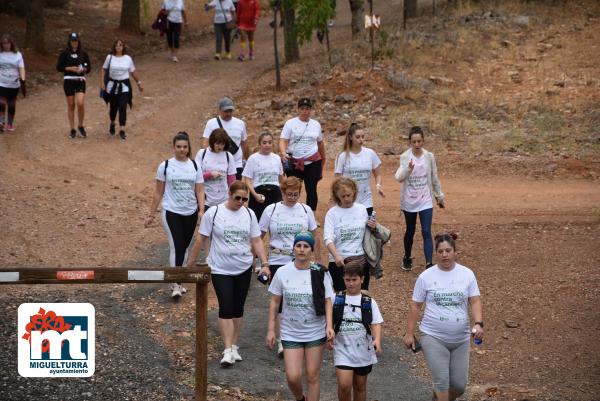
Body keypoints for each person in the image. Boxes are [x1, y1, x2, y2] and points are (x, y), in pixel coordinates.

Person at [187, 181, 268, 367]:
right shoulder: (214, 213)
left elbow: (256, 240)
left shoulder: (249, 214)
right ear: (229, 194)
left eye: (244, 199)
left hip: (243, 266)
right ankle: (227, 348)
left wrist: (264, 263)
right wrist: (190, 263)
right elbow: (201, 238)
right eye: (237, 197)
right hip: (220, 267)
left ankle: (234, 345)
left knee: (238, 308)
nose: (241, 202)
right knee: (226, 306)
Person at [403, 233, 483, 401]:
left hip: (460, 339)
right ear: (436, 254)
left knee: (459, 386)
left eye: (448, 250)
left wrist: (479, 323)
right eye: (440, 251)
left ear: (455, 251)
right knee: (441, 382)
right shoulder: (426, 277)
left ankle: (438, 397)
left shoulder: (467, 274)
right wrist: (409, 333)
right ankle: (441, 395)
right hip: (433, 336)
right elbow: (415, 305)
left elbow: (474, 301)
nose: (445, 254)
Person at [266, 231, 335, 401]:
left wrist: (329, 326)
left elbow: (328, 301)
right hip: (291, 331)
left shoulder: (320, 272)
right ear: (293, 248)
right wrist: (270, 330)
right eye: (298, 246)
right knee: (293, 376)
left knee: (312, 376)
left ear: (311, 250)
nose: (302, 249)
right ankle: (300, 398)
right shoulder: (282, 272)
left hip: (315, 330)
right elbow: (275, 302)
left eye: (306, 246)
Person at [259, 176, 319, 356]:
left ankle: (299, 334)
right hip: (278, 259)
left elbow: (314, 236)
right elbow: (259, 236)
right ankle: (282, 340)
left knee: (298, 297)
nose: (292, 198)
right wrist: (261, 262)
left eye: (296, 194)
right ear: (282, 193)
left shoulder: (305, 210)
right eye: (289, 194)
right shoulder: (272, 210)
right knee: (281, 300)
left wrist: (319, 260)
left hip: (301, 259)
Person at [145, 132, 205, 297]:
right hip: (171, 211)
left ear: (188, 148)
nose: (182, 150)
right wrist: (151, 214)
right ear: (174, 147)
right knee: (176, 246)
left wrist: (201, 210)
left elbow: (200, 190)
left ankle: (179, 281)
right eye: (179, 146)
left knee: (184, 247)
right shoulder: (165, 166)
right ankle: (176, 283)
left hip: (190, 211)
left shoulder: (195, 166)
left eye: (185, 147)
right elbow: (158, 192)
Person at [330, 262, 383, 401]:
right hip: (342, 348)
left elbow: (376, 322)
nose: (351, 283)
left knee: (360, 386)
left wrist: (377, 339)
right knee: (344, 385)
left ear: (362, 279)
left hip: (363, 349)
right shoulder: (337, 299)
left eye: (354, 280)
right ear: (343, 279)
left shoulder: (369, 301)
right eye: (348, 280)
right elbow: (328, 320)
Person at [394, 126, 444, 271]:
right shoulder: (405, 157)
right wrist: (408, 169)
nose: (417, 144)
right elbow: (399, 177)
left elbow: (434, 177)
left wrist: (439, 196)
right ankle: (407, 257)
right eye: (414, 142)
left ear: (423, 141)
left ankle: (429, 263)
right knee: (410, 230)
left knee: (426, 231)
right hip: (410, 200)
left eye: (419, 141)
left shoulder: (429, 156)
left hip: (425, 199)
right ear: (410, 142)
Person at [324, 177, 376, 292]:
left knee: (362, 294)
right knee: (341, 296)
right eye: (343, 196)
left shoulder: (362, 209)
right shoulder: (332, 214)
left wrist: (373, 226)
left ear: (354, 193)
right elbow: (328, 239)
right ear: (336, 196)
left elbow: (368, 234)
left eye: (349, 195)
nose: (347, 199)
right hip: (340, 262)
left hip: (360, 260)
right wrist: (336, 255)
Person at [279, 97, 326, 212]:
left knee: (311, 189)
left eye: (308, 108)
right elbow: (283, 140)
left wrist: (323, 159)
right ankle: (291, 212)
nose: (305, 111)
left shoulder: (316, 125)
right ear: (298, 110)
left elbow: (320, 143)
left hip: (312, 161)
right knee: (292, 188)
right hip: (294, 162)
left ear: (311, 110)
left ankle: (311, 215)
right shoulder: (290, 123)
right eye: (302, 108)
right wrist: (283, 152)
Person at [334, 122, 385, 216]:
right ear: (350, 137)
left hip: (366, 199)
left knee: (368, 226)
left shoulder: (370, 153)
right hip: (348, 199)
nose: (361, 140)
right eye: (357, 137)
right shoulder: (342, 156)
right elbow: (337, 180)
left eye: (363, 136)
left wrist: (378, 185)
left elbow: (378, 174)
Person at [100, 39, 143, 141]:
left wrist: (139, 83)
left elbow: (133, 72)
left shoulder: (128, 59)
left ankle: (122, 129)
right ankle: (112, 122)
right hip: (112, 85)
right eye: (117, 45)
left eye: (120, 45)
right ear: (114, 47)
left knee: (123, 105)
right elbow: (103, 69)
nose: (118, 47)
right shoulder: (109, 57)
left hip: (124, 85)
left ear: (123, 47)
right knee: (113, 106)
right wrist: (102, 82)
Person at [202, 97, 248, 180]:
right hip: (217, 163)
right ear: (219, 110)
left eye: (230, 111)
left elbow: (244, 143)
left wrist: (246, 159)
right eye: (226, 111)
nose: (228, 113)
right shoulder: (211, 123)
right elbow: (206, 142)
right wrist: (207, 158)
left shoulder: (240, 124)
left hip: (236, 163)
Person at [56, 32, 91, 139]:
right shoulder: (64, 53)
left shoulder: (83, 53)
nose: (74, 42)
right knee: (71, 105)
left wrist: (84, 69)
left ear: (78, 41)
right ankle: (72, 129)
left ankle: (80, 125)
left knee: (80, 103)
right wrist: (70, 68)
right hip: (69, 80)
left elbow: (89, 67)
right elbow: (59, 67)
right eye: (72, 40)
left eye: (75, 40)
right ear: (69, 42)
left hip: (80, 80)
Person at [242, 132, 283, 221]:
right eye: (264, 143)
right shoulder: (253, 158)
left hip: (275, 193)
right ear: (259, 144)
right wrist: (255, 194)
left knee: (276, 222)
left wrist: (282, 193)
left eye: (269, 142)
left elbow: (280, 178)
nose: (267, 145)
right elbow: (247, 179)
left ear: (272, 143)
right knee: (257, 223)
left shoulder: (277, 158)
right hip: (258, 194)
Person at [196, 128, 237, 210]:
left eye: (223, 144)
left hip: (224, 201)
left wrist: (233, 196)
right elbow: (195, 176)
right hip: (206, 200)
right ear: (212, 142)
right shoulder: (202, 154)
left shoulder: (228, 156)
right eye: (217, 144)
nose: (220, 147)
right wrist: (210, 174)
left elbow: (231, 180)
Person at [0, 34, 25, 133]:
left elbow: (21, 68)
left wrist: (23, 78)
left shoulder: (17, 55)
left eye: (8, 43)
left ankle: (10, 124)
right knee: (1, 103)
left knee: (11, 104)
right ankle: (1, 123)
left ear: (11, 44)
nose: (6, 45)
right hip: (2, 83)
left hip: (14, 84)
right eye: (4, 43)